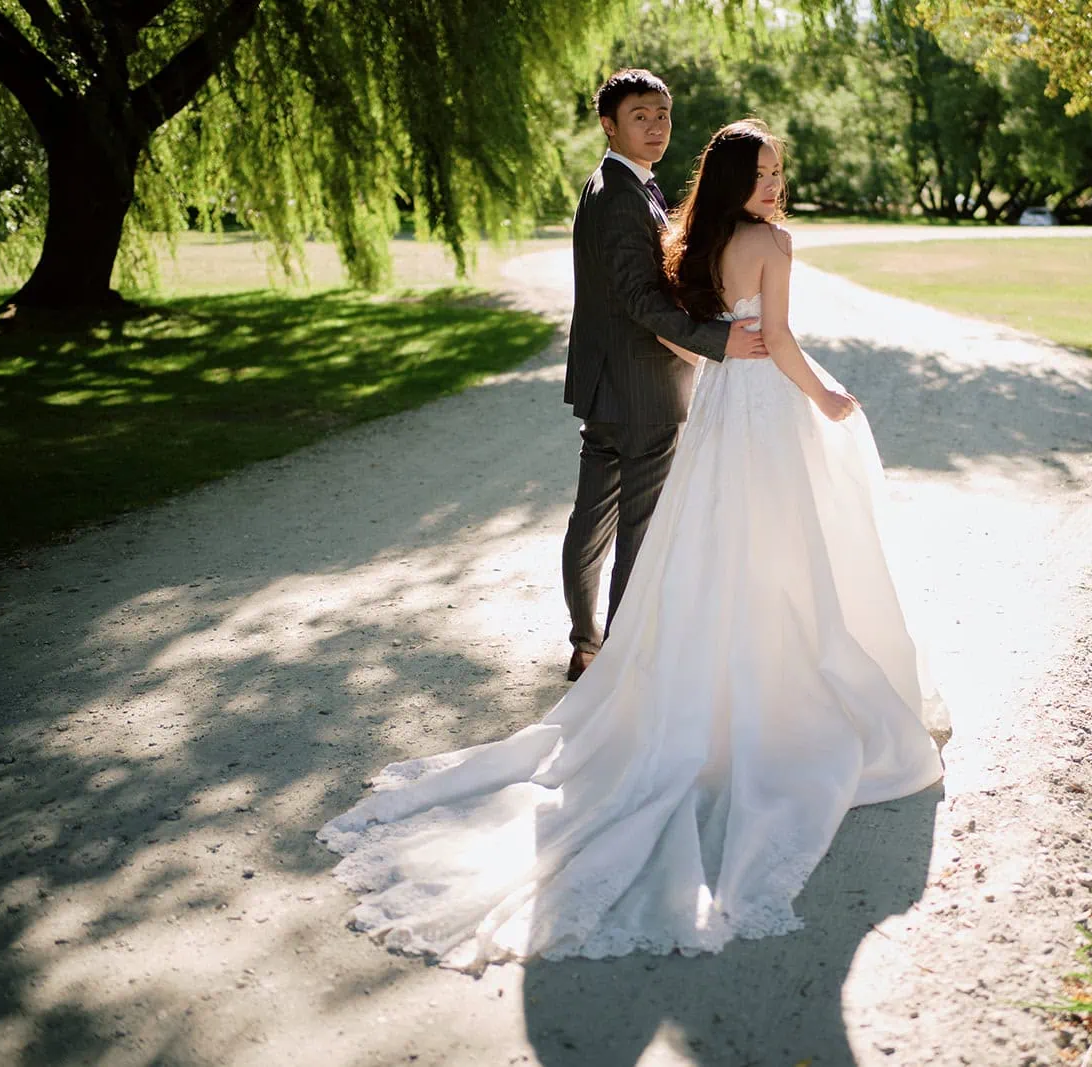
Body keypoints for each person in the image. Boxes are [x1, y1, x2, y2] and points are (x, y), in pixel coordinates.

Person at [317, 119, 947, 972]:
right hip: (761, 407)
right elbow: (785, 341)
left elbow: (668, 326)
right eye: (760, 174)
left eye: (777, 173)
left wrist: (733, 352)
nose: (773, 185)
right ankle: (778, 697)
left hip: (725, 406)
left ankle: (720, 683)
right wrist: (829, 399)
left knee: (721, 547)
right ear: (733, 181)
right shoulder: (772, 241)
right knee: (783, 551)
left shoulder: (700, 238)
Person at [560, 69, 768, 683]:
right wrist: (719, 339)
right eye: (640, 116)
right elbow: (638, 301)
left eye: (662, 115)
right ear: (609, 124)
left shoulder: (628, 185)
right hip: (641, 383)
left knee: (593, 515)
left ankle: (586, 643)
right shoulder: (622, 194)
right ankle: (617, 659)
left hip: (612, 383)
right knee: (637, 524)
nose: (656, 127)